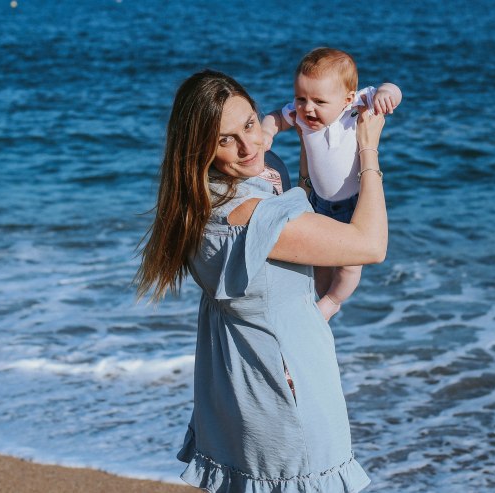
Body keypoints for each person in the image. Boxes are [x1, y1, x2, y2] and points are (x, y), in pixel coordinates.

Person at [135, 69, 388, 493]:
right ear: (198, 146)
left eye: (250, 125)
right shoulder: (253, 216)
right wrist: (367, 150)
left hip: (233, 384)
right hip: (283, 390)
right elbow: (370, 245)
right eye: (224, 139)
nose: (248, 146)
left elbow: (291, 202)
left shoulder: (196, 201)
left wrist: (307, 146)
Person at [261, 47, 402, 321]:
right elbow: (276, 116)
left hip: (353, 204)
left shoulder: (356, 106)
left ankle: (334, 301)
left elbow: (393, 88)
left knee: (350, 264)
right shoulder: (302, 117)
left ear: (346, 98)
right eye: (300, 98)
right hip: (319, 201)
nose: (307, 108)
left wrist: (386, 94)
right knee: (319, 258)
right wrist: (267, 130)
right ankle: (321, 297)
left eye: (319, 101)